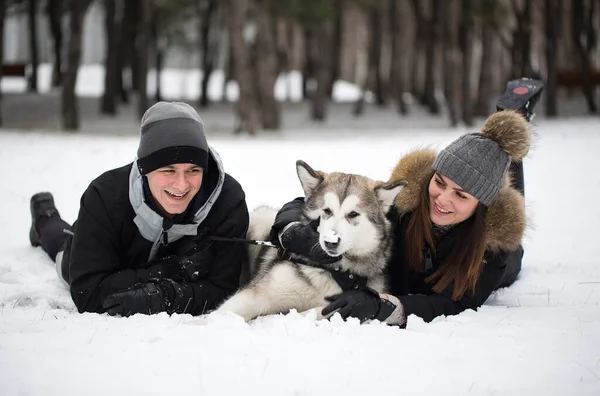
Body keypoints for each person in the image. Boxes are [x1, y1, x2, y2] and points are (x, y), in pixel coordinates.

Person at [270, 107, 534, 327]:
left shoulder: (493, 254)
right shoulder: (405, 204)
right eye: (440, 183)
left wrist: (382, 306)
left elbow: (454, 303)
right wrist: (291, 229)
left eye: (461, 195)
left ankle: (518, 112)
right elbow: (307, 202)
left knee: (510, 186)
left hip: (498, 254)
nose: (442, 199)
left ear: (480, 206)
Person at [28, 101, 249, 317]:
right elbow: (89, 294)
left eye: (193, 170)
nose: (181, 185)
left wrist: (166, 297)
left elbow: (224, 291)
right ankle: (44, 218)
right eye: (168, 170)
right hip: (88, 252)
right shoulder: (104, 196)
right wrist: (174, 270)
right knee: (60, 244)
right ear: (145, 168)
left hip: (128, 273)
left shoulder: (228, 202)